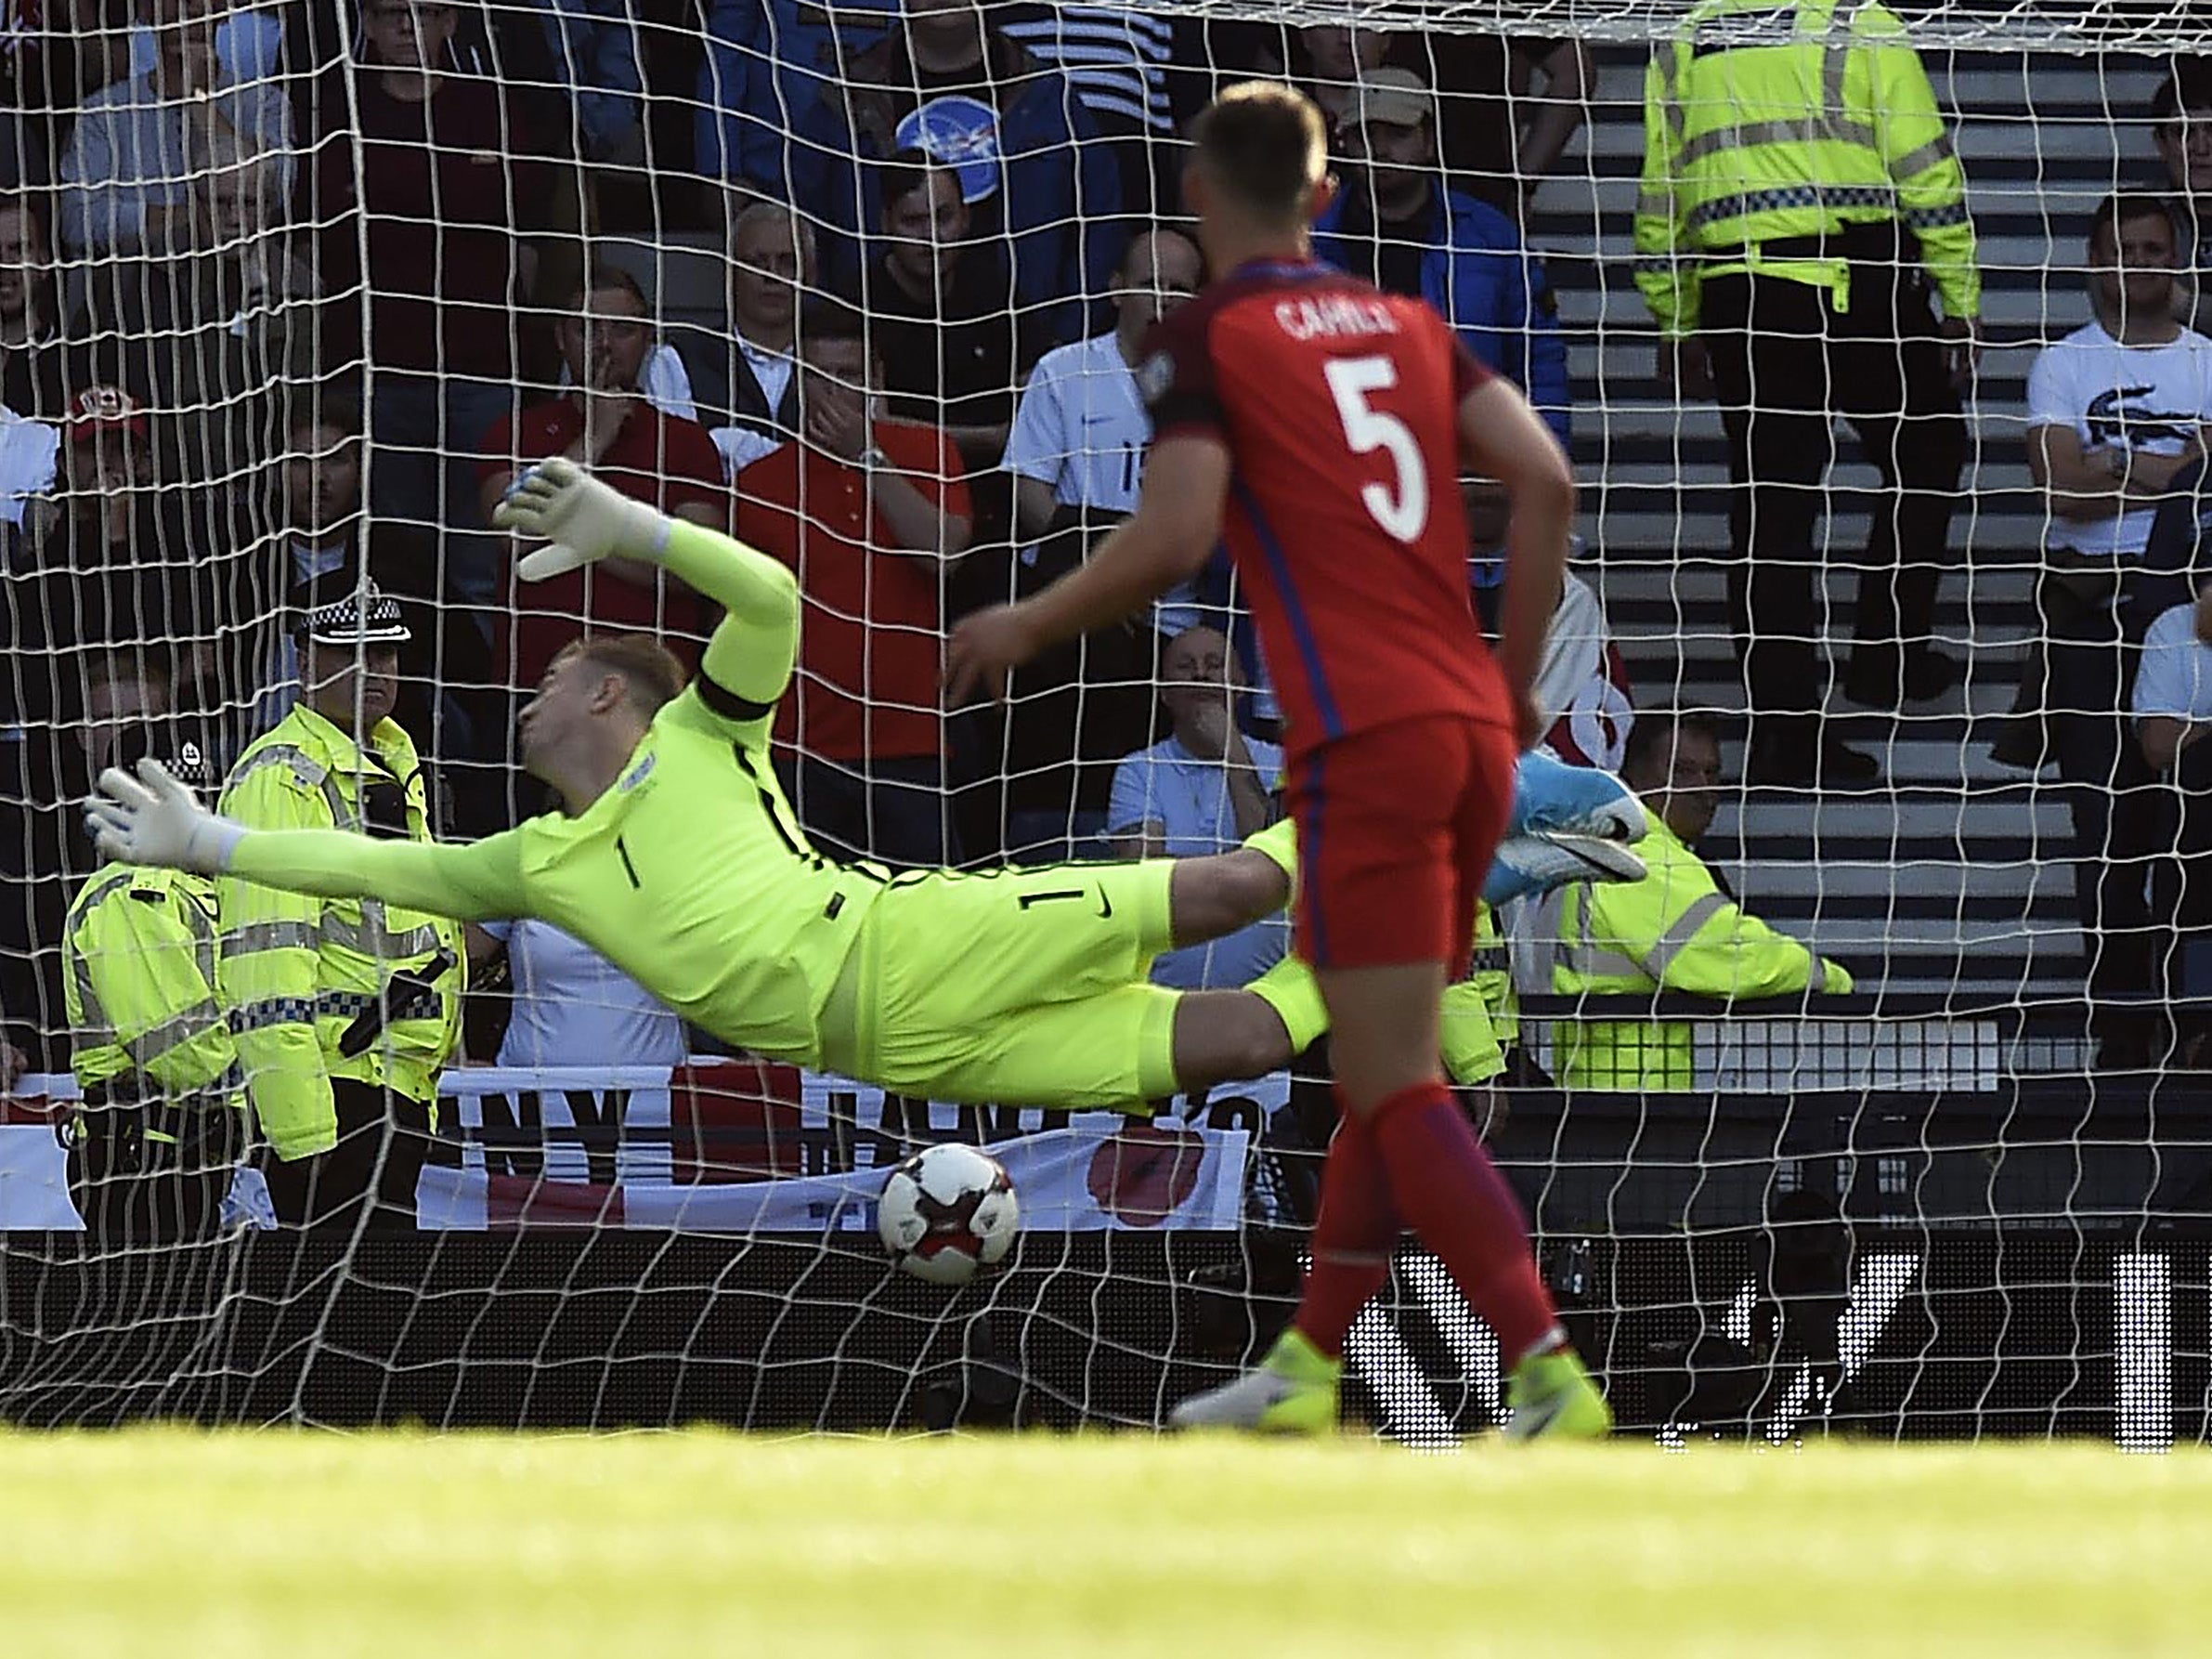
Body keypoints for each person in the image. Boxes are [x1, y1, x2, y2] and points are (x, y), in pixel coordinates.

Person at [944, 82, 1609, 1439]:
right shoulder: (1407, 323)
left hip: (1365, 746)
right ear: (1325, 198)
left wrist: (1027, 613)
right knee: (1378, 1064)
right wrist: (1510, 692)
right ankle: (1310, 1358)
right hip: (1468, 733)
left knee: (1399, 1084)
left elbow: (1174, 533)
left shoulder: (1215, 336)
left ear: (1200, 197)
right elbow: (1544, 482)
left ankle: (1544, 1364)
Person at [87, 458, 1328, 1124]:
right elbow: (366, 865)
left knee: (1239, 885)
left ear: (610, 698)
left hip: (913, 949)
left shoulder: (705, 734)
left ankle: (1420, 800)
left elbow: (774, 599)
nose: (533, 682)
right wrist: (211, 839)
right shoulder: (537, 858)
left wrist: (636, 526)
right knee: (1255, 1032)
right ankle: (1434, 911)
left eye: (560, 669)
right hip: (900, 1051)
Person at [1634, 0, 1978, 784]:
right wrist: (1958, 294)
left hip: (1743, 292)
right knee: (1927, 448)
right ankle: (1886, 658)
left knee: (1771, 512)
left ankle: (1791, 734)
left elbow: (1662, 184)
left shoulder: (1685, 36)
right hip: (1861, 270)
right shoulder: (1858, 21)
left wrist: (1675, 314)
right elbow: (1925, 162)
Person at [214, 581, 465, 1231]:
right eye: (351, 652)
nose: (375, 670)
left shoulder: (392, 767)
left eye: (385, 654)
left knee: (379, 1320)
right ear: (304, 662)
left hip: (390, 1090)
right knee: (340, 1316)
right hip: (334, 1100)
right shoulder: (282, 778)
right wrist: (303, 1133)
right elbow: (263, 962)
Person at [2024, 192, 2212, 1070]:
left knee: (2188, 826)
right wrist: (2176, 470)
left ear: (2176, 262)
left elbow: (2096, 475)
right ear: (2094, 263)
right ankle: (2119, 1023)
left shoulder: (2208, 360)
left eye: (2152, 248)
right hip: (2092, 615)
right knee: (2102, 828)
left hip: (2196, 614)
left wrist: (2117, 464)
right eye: (2121, 250)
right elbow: (2062, 492)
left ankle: (2185, 1020)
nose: (2137, 262)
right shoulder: (2061, 365)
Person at [735, 302, 972, 868]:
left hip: (911, 740)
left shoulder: (929, 451)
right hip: (799, 746)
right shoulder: (759, 481)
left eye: (853, 376)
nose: (839, 393)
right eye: (823, 377)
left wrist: (868, 459)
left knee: (924, 924)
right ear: (799, 381)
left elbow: (944, 554)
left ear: (878, 380)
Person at [997, 227, 1204, 860]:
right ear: (1116, 290)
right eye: (1149, 283)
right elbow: (1030, 493)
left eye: (1179, 288)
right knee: (1068, 794)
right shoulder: (1067, 370)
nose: (1163, 299)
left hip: (1179, 624)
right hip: (1082, 624)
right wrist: (1104, 559)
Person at [1548, 711, 1852, 1092]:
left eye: (1712, 774)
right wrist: (1827, 976)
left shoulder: (1624, 844)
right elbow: (1729, 952)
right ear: (1635, 779)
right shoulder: (1643, 857)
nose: (1703, 789)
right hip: (1626, 1100)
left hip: (1618, 1091)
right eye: (1683, 771)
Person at [480, 262, 730, 695]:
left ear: (649, 338)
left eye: (623, 330)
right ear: (561, 338)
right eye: (587, 329)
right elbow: (517, 534)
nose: (604, 345)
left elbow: (698, 571)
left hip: (655, 689)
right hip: (539, 687)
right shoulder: (515, 431)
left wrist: (582, 538)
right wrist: (594, 439)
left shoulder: (687, 443)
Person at [1314, 67, 1569, 446]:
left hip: (1472, 462)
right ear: (1344, 145)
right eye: (1364, 135)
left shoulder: (1489, 236)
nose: (1380, 149)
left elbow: (1538, 358)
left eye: (1397, 133)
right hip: (1345, 463)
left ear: (1429, 139)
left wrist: (1545, 464)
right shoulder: (1311, 244)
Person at [62, 719, 243, 1246]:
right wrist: (264, 1095)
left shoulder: (192, 887)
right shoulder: (130, 892)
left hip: (180, 1145)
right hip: (144, 1155)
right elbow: (173, 1038)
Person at [1107, 626, 1288, 991]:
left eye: (1214, 664)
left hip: (1269, 1001)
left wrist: (1231, 751)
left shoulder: (1281, 764)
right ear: (1164, 692)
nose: (1201, 674)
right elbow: (1145, 873)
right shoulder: (1138, 769)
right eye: (1185, 666)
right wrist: (1242, 868)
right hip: (1165, 996)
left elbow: (1274, 860)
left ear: (1240, 683)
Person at [57, 0, 293, 256]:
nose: (189, 6)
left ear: (224, 8)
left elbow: (278, 191)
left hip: (239, 276)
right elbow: (77, 221)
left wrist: (199, 100)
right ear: (146, 11)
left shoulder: (265, 102)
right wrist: (196, 218)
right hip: (136, 281)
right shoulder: (102, 113)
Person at [665, 200, 811, 468]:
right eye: (757, 262)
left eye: (788, 262)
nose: (772, 275)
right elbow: (680, 464)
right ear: (730, 271)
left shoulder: (840, 361)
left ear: (810, 275)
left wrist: (726, 442)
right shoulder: (677, 359)